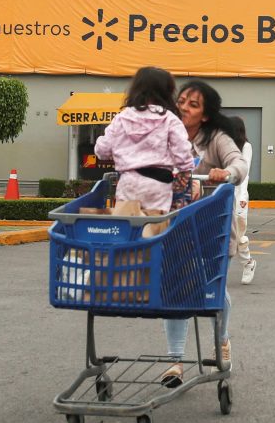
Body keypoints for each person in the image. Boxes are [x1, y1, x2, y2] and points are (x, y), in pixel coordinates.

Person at [161, 80, 248, 386]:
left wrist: (227, 173)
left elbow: (239, 163)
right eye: (181, 100)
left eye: (193, 104)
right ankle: (175, 361)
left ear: (206, 115)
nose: (183, 107)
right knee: (175, 290)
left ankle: (221, 339)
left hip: (212, 226)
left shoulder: (216, 139)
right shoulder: (167, 132)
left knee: (212, 287)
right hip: (177, 225)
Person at [93, 66, 195, 223]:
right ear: (167, 91)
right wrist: (185, 172)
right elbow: (183, 155)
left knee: (127, 230)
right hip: (158, 185)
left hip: (127, 182)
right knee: (153, 230)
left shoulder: (122, 118)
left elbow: (102, 150)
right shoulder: (169, 119)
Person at [228, 116, 256, 285]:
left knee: (239, 236)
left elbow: (244, 174)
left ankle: (248, 263)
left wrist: (242, 197)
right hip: (223, 195)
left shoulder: (246, 147)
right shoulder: (223, 147)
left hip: (238, 196)